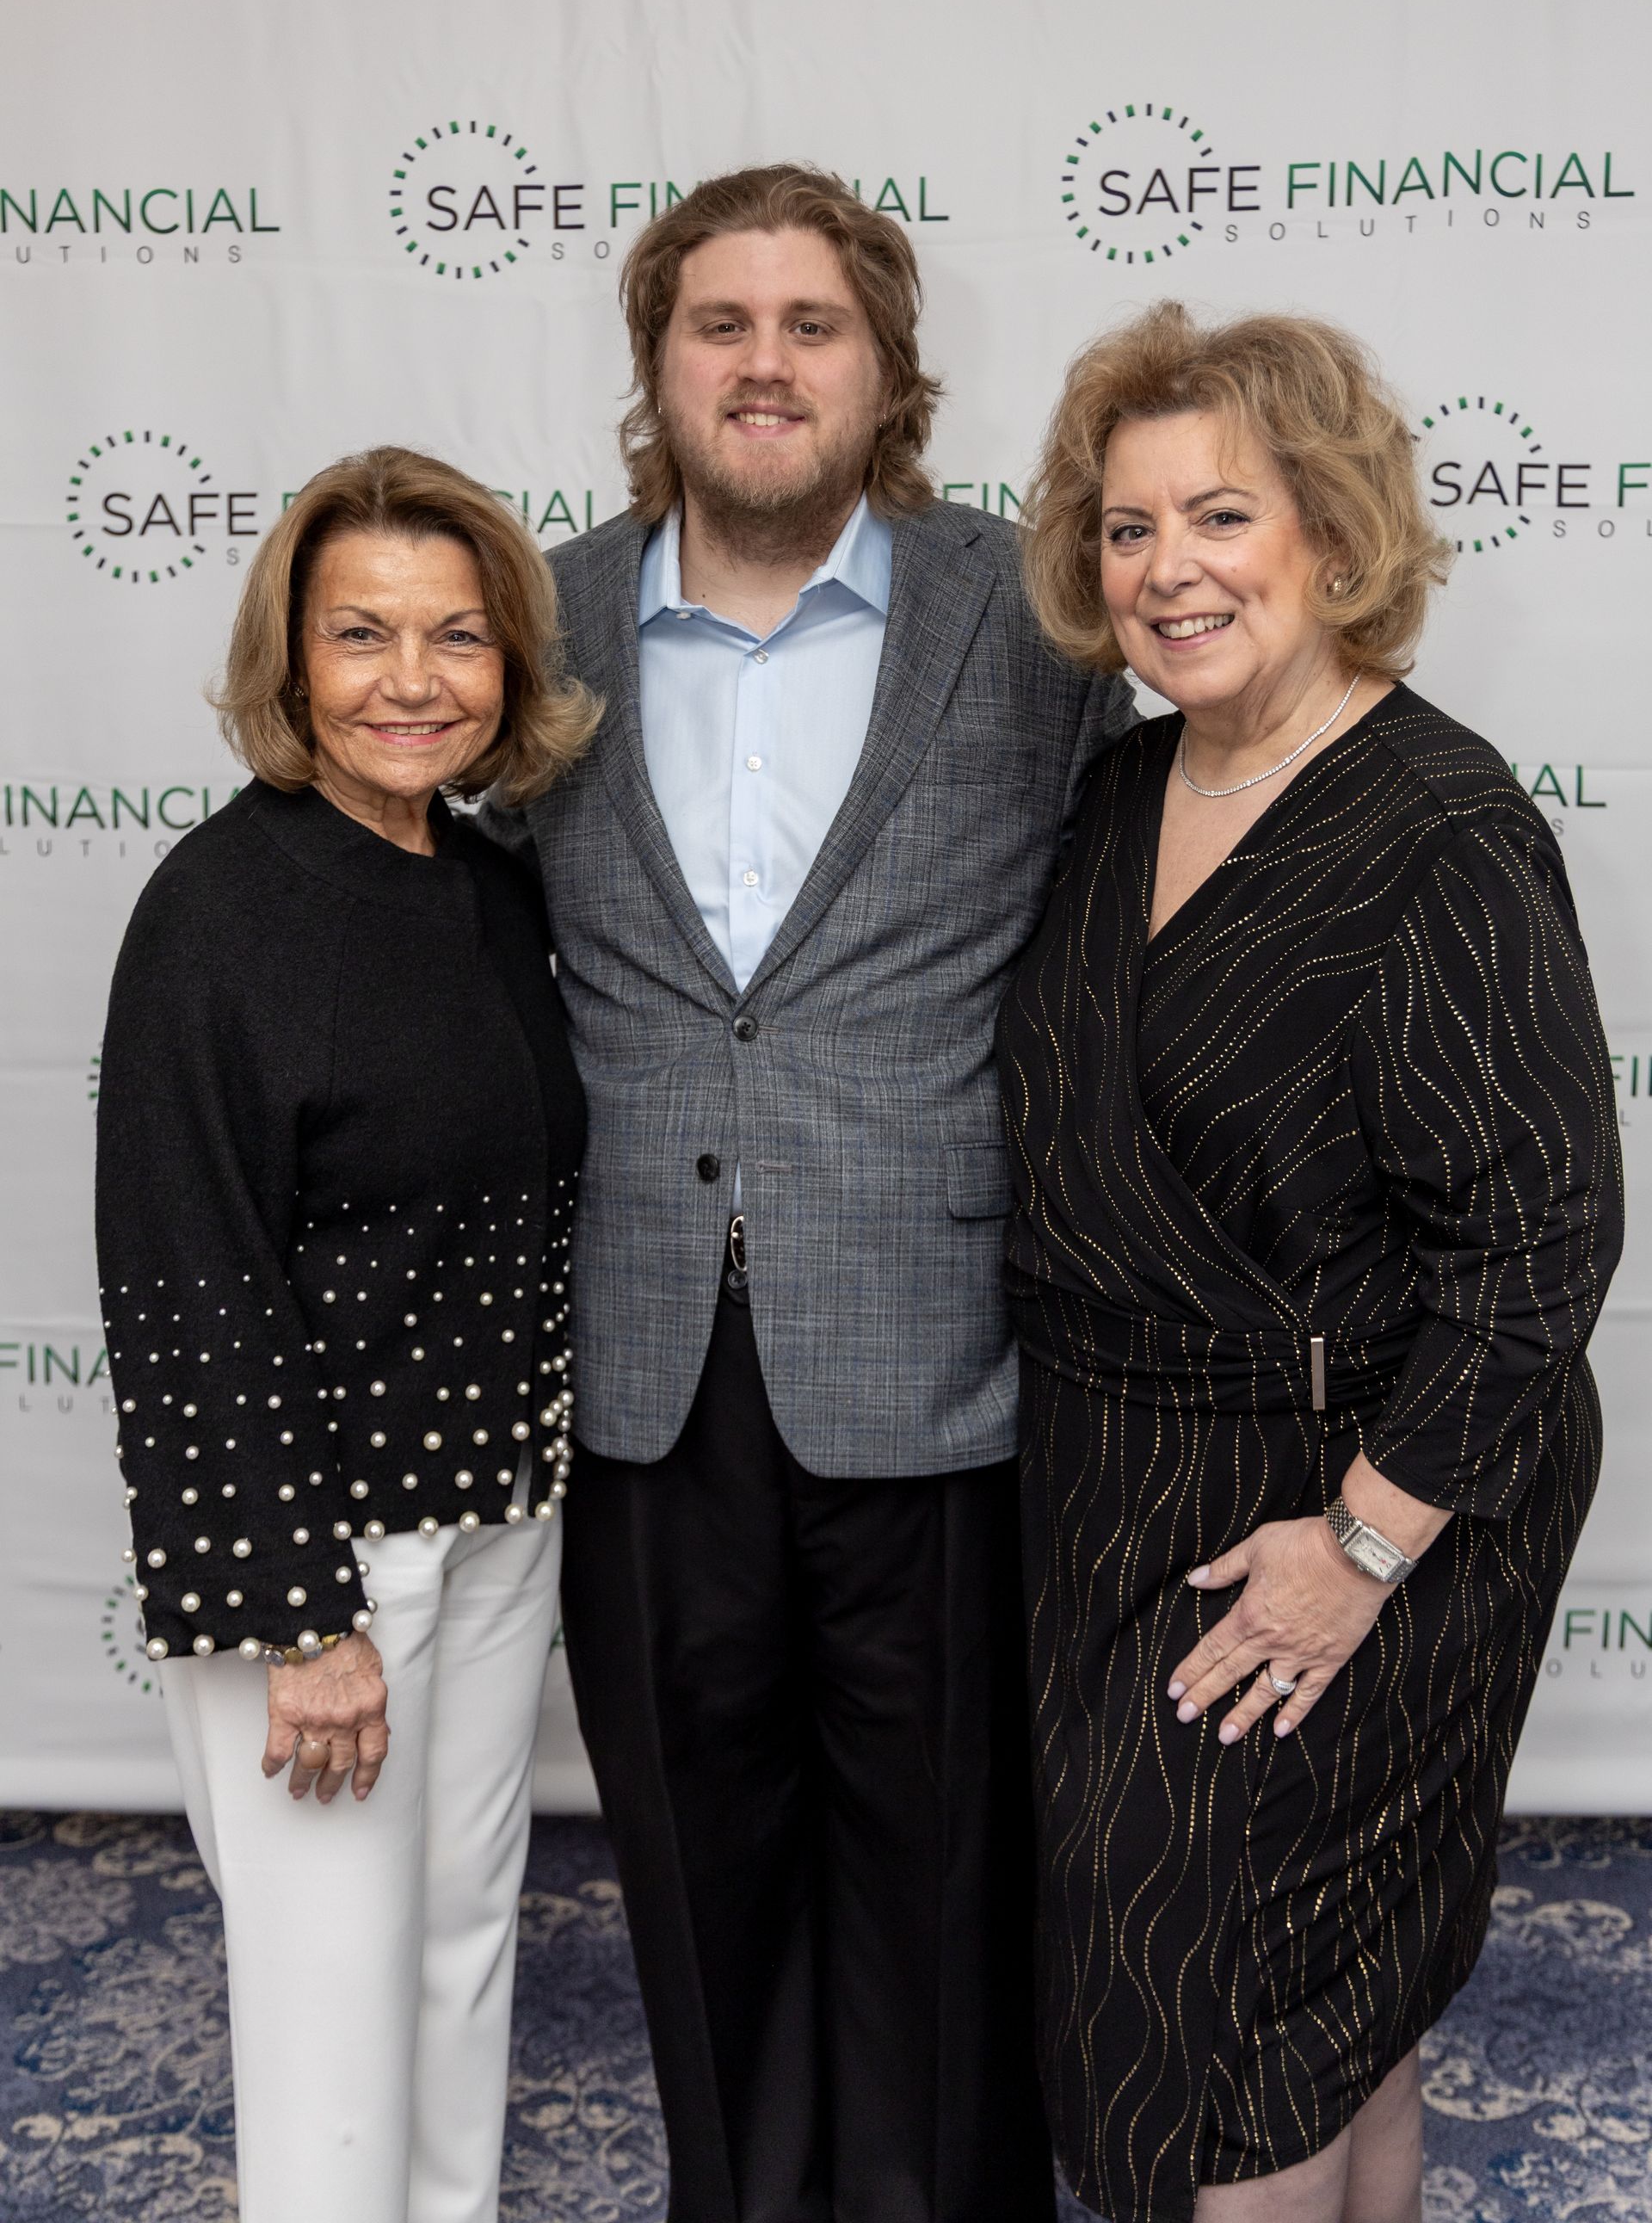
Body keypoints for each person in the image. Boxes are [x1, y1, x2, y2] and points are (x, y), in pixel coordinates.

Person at [480, 163, 1136, 2221]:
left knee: (944, 1866)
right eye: (721, 325)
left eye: (812, 326)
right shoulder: (542, 621)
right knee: (698, 1860)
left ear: (886, 370)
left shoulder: (1029, 619)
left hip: (935, 1348)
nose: (765, 363)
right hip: (649, 1351)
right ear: (657, 364)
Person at [998, 300, 1624, 2223]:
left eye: (1222, 517)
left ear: (1332, 540)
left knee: (1245, 2019)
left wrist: (1358, 1553)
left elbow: (1541, 1248)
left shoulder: (1439, 831)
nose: (1168, 569)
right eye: (1127, 529)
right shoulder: (1119, 786)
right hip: (1122, 1474)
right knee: (1296, 1994)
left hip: (1371, 1486)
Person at [96, 447, 599, 2223]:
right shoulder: (221, 913)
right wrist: (297, 1613)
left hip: (496, 1522)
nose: (412, 680)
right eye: (361, 634)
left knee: (462, 1950)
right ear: (291, 658)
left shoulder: (486, 883)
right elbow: (187, 1281)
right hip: (320, 1571)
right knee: (325, 2010)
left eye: (456, 637)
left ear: (511, 664)